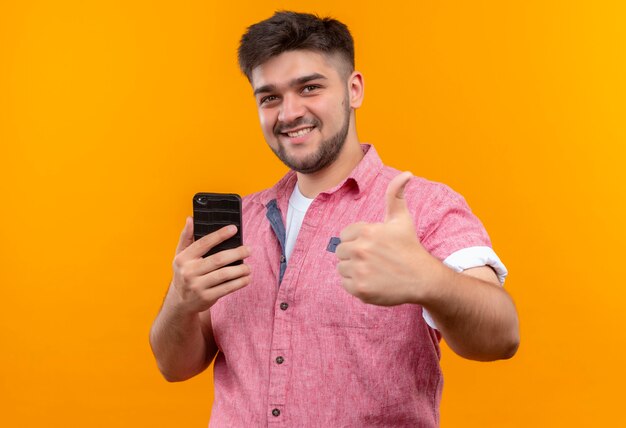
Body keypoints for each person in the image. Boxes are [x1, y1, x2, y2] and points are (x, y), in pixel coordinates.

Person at [149, 11, 519, 427]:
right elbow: (174, 366)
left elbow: (502, 336)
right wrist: (181, 302)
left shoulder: (423, 207)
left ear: (353, 89)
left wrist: (429, 281)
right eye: (269, 97)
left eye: (309, 88)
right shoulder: (239, 223)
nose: (288, 113)